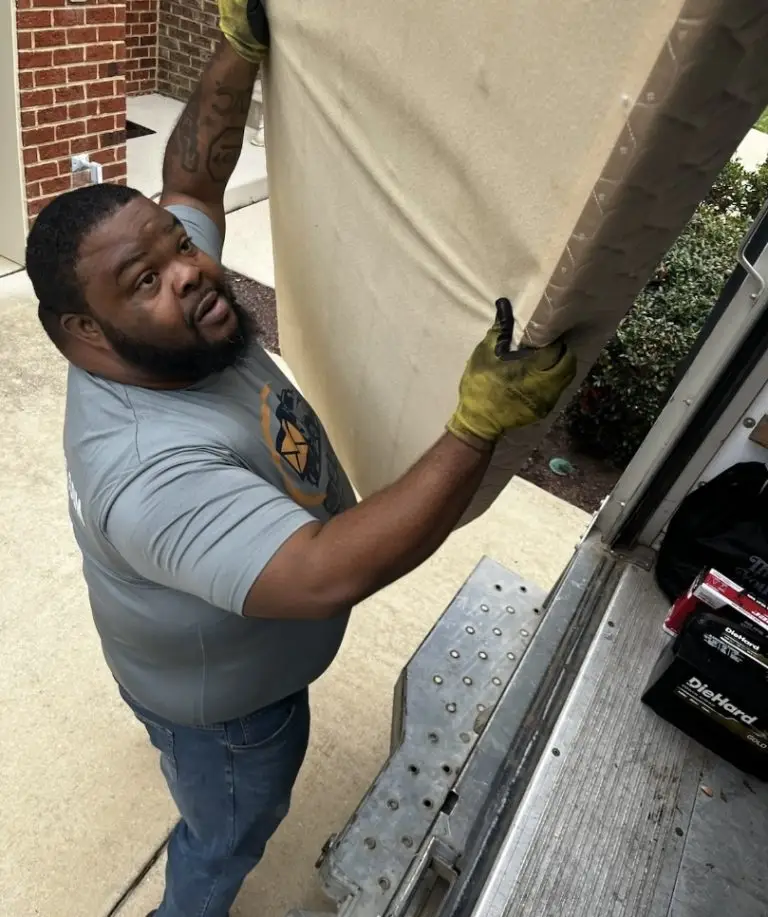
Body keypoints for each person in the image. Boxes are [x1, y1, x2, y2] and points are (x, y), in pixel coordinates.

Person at [24, 4, 576, 915]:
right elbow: (323, 573)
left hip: (176, 650)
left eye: (175, 249)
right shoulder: (148, 475)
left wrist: (239, 46)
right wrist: (476, 426)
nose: (189, 268)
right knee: (224, 833)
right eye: (146, 279)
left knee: (187, 757)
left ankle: (163, 732)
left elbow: (193, 180)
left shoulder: (169, 322)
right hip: (229, 715)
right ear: (84, 333)